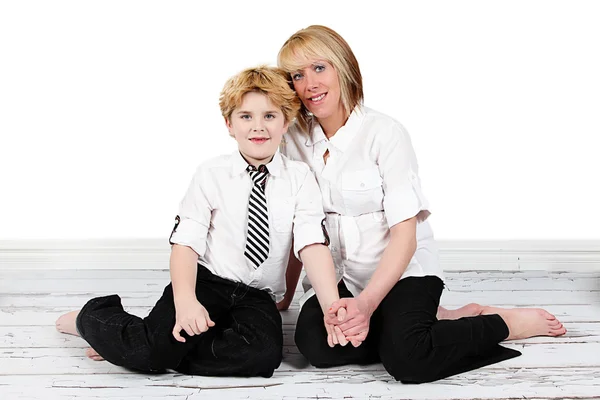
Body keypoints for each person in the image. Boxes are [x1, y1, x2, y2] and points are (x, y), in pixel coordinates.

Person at [276, 25, 567, 383]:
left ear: (343, 68)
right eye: (297, 75)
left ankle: (500, 323)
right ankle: (427, 322)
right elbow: (299, 225)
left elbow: (405, 236)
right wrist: (285, 294)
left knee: (408, 359)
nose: (309, 85)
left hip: (403, 271)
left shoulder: (385, 133)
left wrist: (366, 306)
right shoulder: (291, 138)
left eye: (319, 68)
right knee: (315, 345)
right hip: (340, 279)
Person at [55, 65, 348, 378]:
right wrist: (185, 302)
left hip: (256, 295)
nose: (258, 127)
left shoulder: (300, 179)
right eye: (246, 116)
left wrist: (331, 306)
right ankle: (93, 318)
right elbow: (185, 245)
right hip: (205, 283)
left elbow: (311, 245)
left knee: (262, 357)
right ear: (229, 125)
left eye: (270, 116)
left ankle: (140, 346)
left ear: (286, 121)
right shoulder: (211, 174)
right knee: (156, 348)